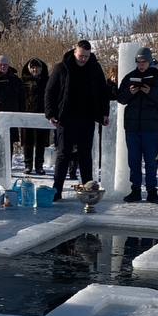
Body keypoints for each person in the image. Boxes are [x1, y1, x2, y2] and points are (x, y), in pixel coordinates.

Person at [45, 40, 110, 200]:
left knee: (85, 155)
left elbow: (103, 92)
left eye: (86, 56)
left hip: (87, 117)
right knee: (63, 155)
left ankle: (88, 190)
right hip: (65, 118)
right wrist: (50, 113)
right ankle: (57, 191)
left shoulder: (95, 68)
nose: (83, 59)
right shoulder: (61, 67)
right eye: (81, 56)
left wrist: (104, 113)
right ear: (75, 52)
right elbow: (50, 91)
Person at [116, 46, 158, 203]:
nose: (141, 65)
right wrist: (130, 92)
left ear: (150, 61)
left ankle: (152, 191)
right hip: (132, 127)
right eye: (138, 62)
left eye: (144, 62)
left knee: (151, 161)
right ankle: (135, 190)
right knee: (133, 161)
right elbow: (120, 98)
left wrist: (150, 91)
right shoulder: (129, 77)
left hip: (151, 127)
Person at [19, 58, 50, 175]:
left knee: (40, 142)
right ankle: (28, 165)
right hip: (26, 115)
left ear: (41, 69)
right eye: (32, 68)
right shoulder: (23, 81)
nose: (35, 70)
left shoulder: (47, 81)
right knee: (27, 142)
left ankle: (39, 166)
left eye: (37, 68)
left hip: (42, 115)